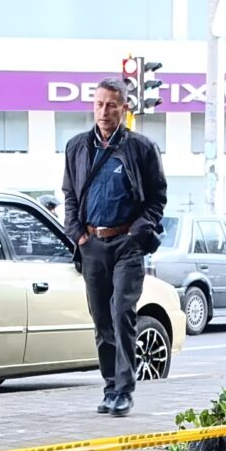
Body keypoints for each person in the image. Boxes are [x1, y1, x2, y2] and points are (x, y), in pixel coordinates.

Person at [59, 75, 167, 418]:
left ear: (124, 108)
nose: (104, 112)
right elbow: (70, 195)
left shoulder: (141, 148)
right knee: (101, 319)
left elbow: (157, 199)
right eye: (99, 104)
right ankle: (109, 386)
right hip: (92, 244)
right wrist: (77, 234)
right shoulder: (77, 146)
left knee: (122, 313)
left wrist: (137, 233)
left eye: (111, 105)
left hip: (127, 245)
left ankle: (124, 389)